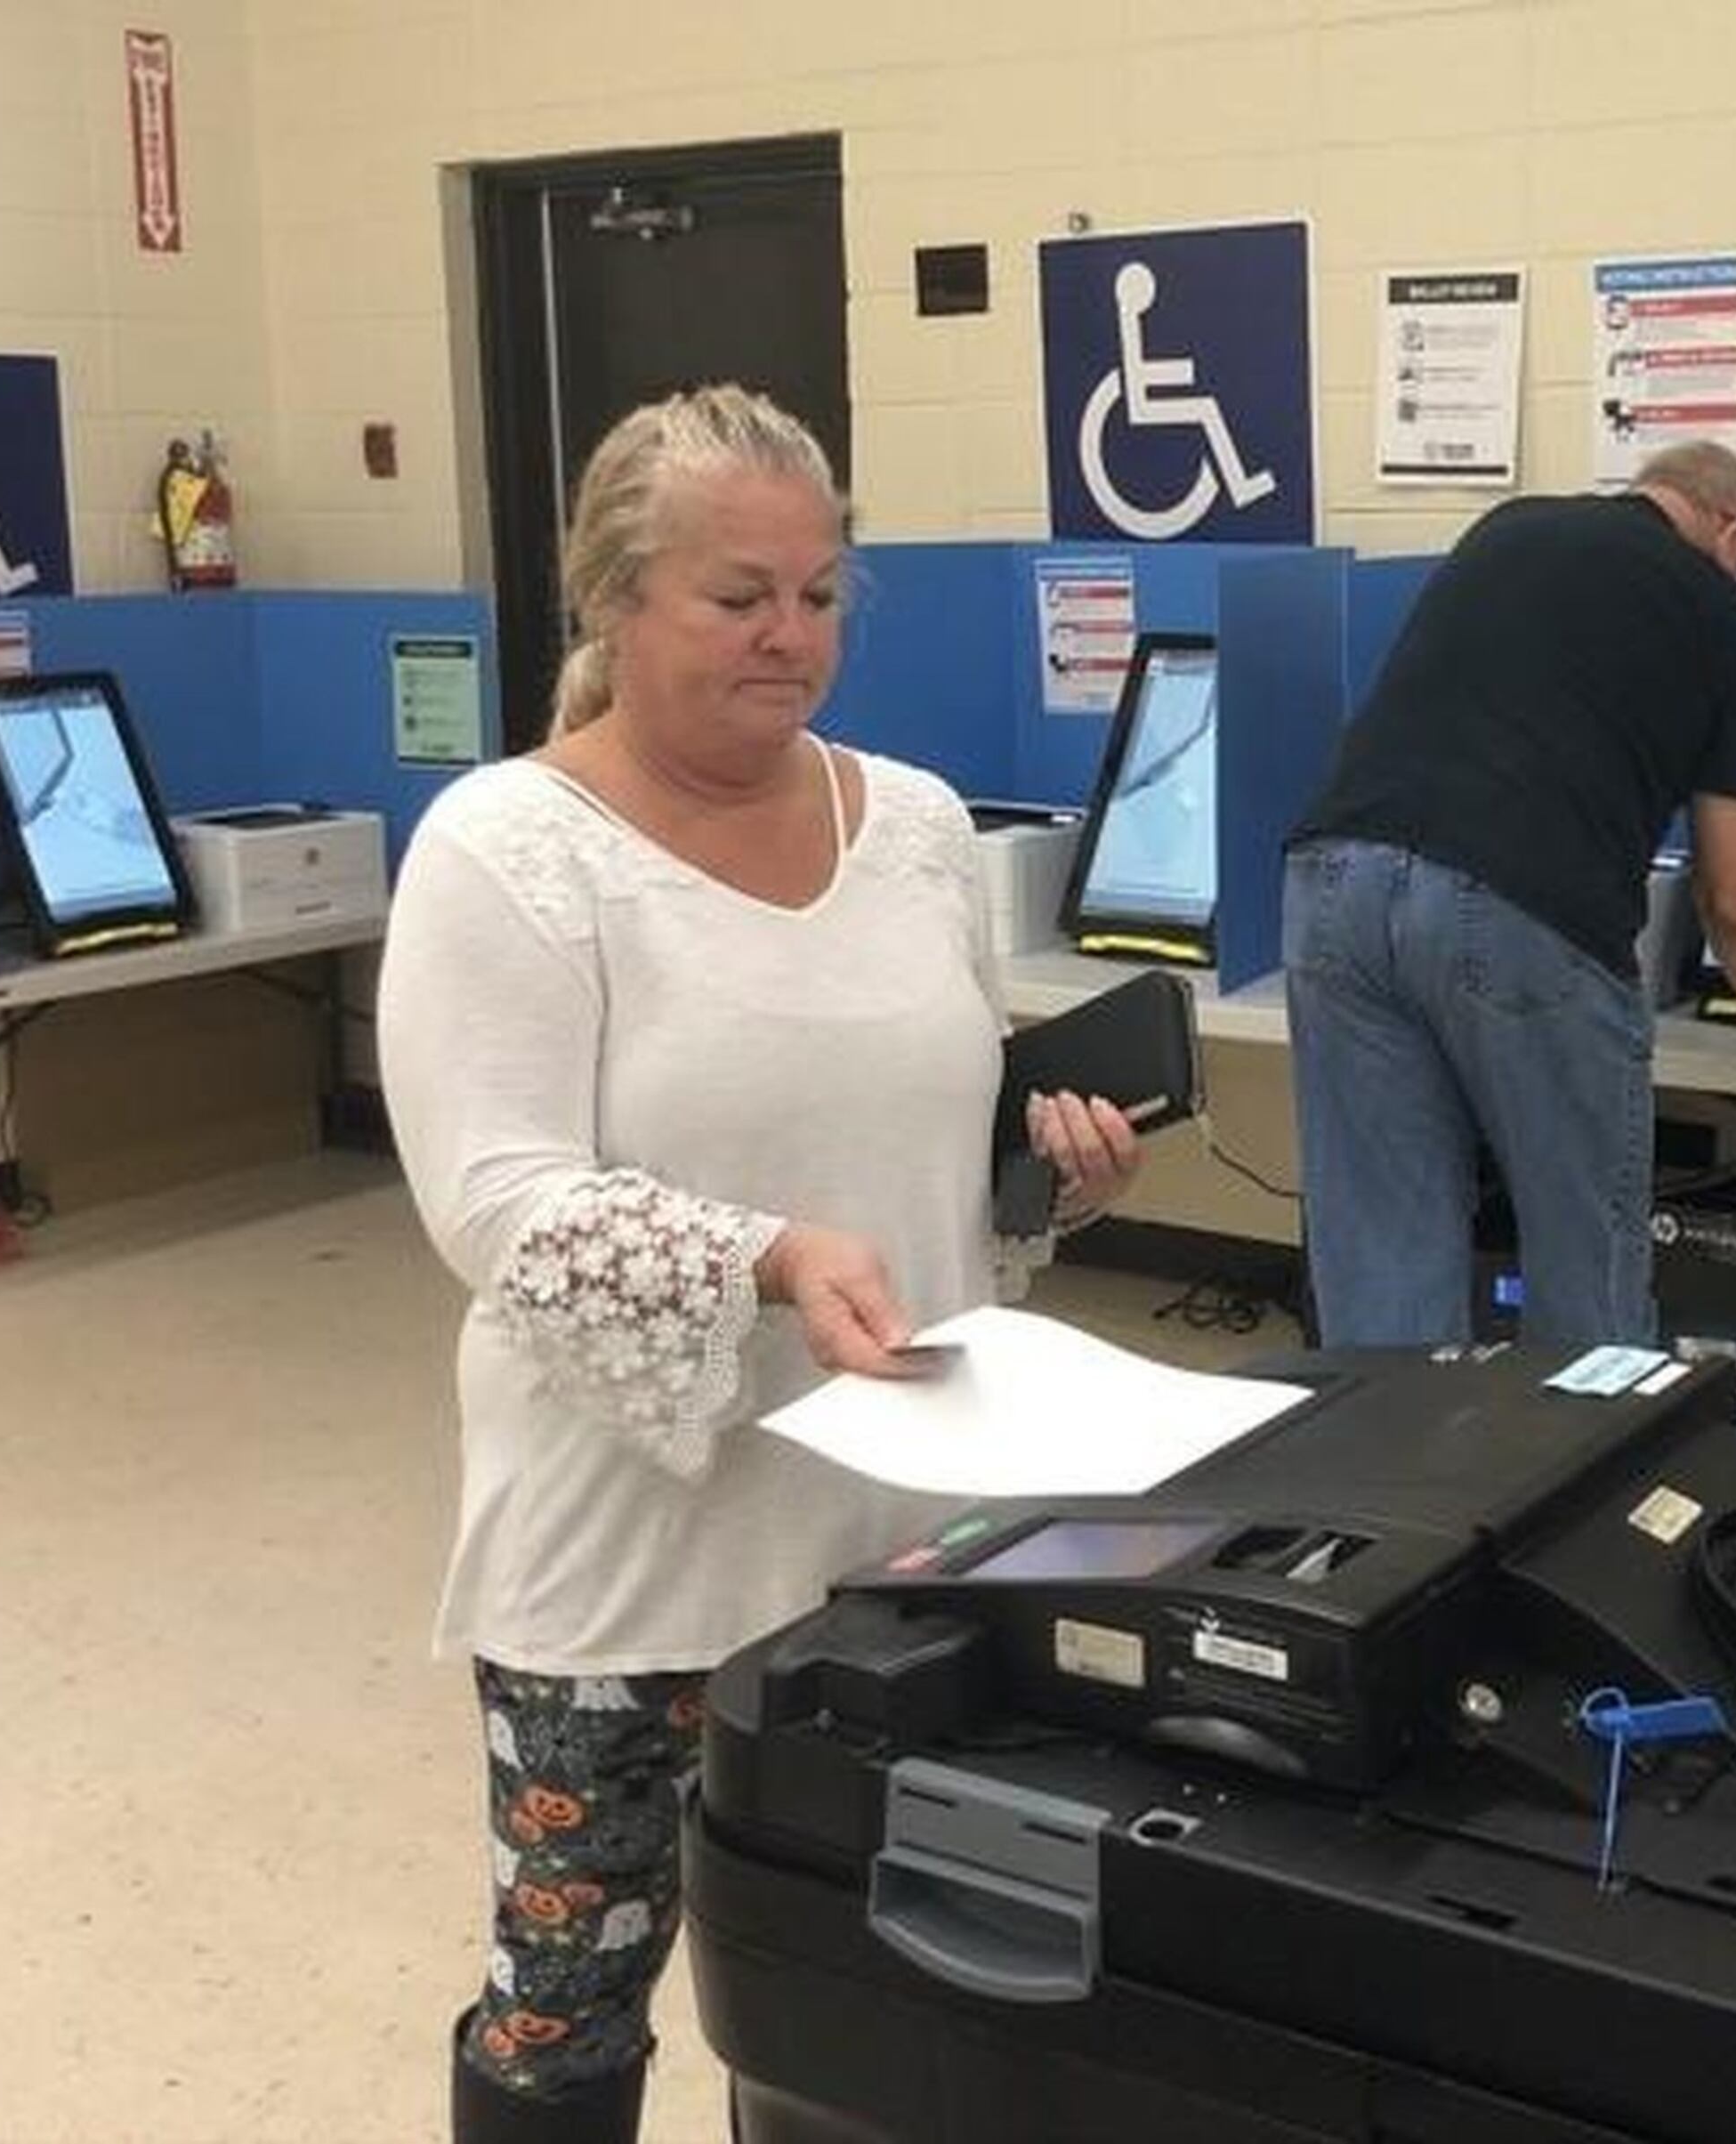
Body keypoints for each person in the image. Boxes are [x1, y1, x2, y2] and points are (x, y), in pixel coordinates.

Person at [376, 384, 1143, 2144]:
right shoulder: (508, 850)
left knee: (849, 1984)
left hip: (890, 1543)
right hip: (628, 1560)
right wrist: (766, 1256)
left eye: (821, 593)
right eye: (740, 597)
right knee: (571, 2004)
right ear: (619, 602)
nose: (792, 636)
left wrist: (1047, 1177)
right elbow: (495, 1202)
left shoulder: (922, 827)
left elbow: (936, 1159)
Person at [1280, 441, 1736, 1350]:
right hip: (1520, 906)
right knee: (1587, 1264)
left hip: (1331, 882)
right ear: (1732, 536)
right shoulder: (1725, 624)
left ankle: (1390, 1484)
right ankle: (1591, 1479)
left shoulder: (1507, 530)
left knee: (1381, 1256)